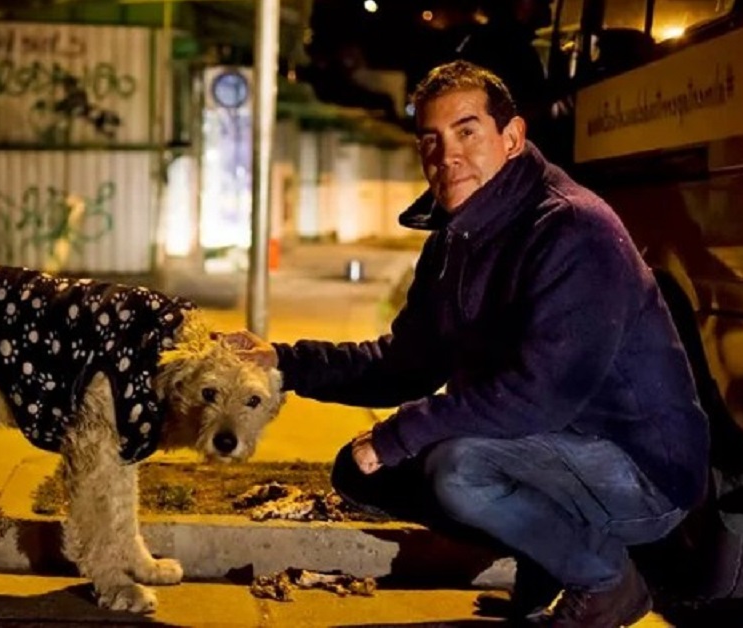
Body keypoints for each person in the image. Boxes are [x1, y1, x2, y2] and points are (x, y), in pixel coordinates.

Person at [227, 60, 709, 627]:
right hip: (550, 446)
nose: (446, 154)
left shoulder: (574, 229)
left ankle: (605, 581)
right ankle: (549, 561)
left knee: (460, 469)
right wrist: (282, 361)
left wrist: (401, 431)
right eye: (430, 139)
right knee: (364, 471)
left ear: (512, 138)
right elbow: (404, 364)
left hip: (642, 469)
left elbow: (542, 394)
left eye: (466, 131)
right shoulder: (456, 239)